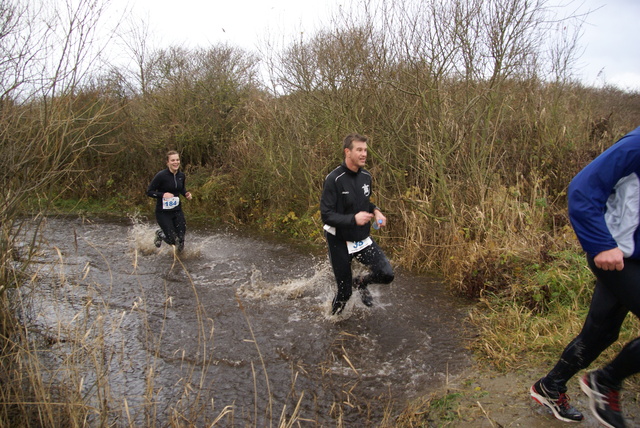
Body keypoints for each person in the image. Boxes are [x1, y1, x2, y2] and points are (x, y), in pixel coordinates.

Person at [530, 126, 640, 428]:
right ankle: (605, 382)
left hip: (632, 256)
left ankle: (549, 387)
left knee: (601, 332)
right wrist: (602, 244)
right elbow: (582, 189)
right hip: (618, 256)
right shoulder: (637, 144)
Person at [320, 133, 394, 315]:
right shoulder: (334, 179)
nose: (364, 154)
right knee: (344, 294)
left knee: (386, 274)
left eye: (365, 150)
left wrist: (376, 211)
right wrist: (353, 219)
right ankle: (332, 321)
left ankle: (360, 282)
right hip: (339, 241)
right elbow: (326, 215)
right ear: (348, 152)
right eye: (359, 150)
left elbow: (364, 203)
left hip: (361, 238)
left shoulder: (366, 177)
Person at [146, 150, 192, 252]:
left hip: (177, 211)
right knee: (172, 240)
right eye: (173, 160)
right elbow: (149, 192)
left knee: (181, 240)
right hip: (163, 213)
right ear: (168, 162)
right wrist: (163, 195)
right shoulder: (161, 176)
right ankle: (160, 234)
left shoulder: (181, 176)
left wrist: (186, 194)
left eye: (177, 160)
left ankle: (179, 263)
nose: (176, 162)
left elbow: (181, 188)